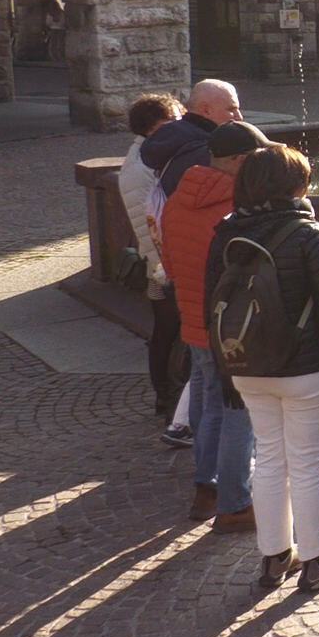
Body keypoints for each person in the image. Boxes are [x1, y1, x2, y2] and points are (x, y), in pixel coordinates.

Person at [207, 144, 319, 592]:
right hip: (307, 368)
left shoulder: (225, 233)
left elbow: (211, 306)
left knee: (270, 459)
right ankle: (318, 559)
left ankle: (274, 558)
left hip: (247, 363)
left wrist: (225, 371)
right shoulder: (309, 233)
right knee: (309, 462)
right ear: (293, 186)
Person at [161, 119, 270, 531]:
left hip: (193, 320)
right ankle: (235, 502)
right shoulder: (237, 211)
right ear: (240, 161)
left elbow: (169, 264)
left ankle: (205, 488)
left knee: (207, 407)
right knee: (238, 414)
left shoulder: (176, 200)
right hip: (231, 327)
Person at [119, 92, 191, 432]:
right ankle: (170, 400)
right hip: (163, 267)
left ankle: (166, 397)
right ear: (153, 127)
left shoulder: (147, 156)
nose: (181, 127)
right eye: (173, 122)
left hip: (161, 265)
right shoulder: (145, 164)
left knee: (167, 331)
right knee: (171, 332)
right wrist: (170, 268)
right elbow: (153, 224)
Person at [141, 78, 244, 197]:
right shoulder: (208, 152)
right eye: (231, 110)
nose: (239, 117)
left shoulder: (172, 139)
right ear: (206, 110)